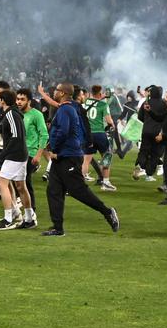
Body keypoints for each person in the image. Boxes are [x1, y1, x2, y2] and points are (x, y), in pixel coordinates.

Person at [43, 83, 119, 237]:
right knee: (53, 191)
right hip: (65, 155)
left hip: (68, 156)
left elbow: (63, 131)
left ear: (63, 93)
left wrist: (55, 150)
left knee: (78, 191)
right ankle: (57, 227)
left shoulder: (65, 109)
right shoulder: (69, 107)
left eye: (56, 90)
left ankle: (107, 212)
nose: (54, 92)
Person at [0, 90, 36, 230]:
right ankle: (29, 218)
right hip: (20, 154)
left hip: (14, 155)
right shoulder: (13, 114)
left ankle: (8, 218)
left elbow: (16, 136)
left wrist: (4, 153)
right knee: (20, 187)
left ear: (3, 101)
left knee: (2, 183)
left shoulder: (11, 114)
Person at [16, 88, 48, 210]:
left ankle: (31, 209)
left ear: (29, 101)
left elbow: (44, 135)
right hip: (17, 152)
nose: (19, 102)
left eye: (22, 99)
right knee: (16, 182)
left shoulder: (36, 115)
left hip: (31, 153)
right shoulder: (16, 114)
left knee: (25, 182)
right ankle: (22, 205)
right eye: (18, 99)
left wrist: (38, 155)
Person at [84, 85, 116, 191]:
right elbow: (109, 120)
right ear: (100, 93)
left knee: (86, 160)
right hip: (99, 134)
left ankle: (80, 184)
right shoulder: (103, 104)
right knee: (106, 156)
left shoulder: (86, 102)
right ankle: (105, 182)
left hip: (88, 134)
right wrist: (112, 125)